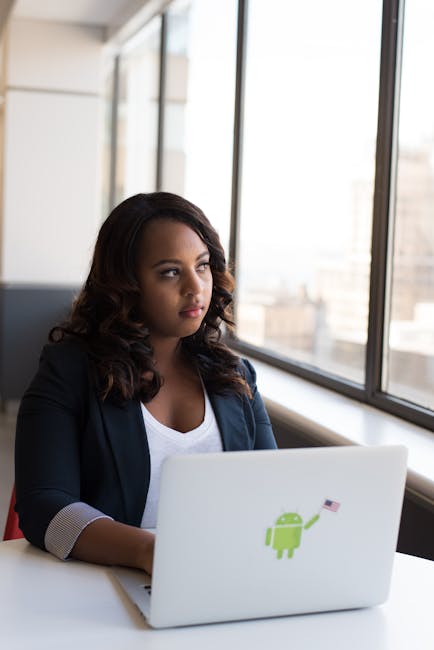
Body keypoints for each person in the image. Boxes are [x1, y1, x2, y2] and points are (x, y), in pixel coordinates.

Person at [14, 192, 276, 575]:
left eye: (201, 266)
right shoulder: (69, 371)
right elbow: (43, 506)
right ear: (126, 285)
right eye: (171, 271)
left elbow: (275, 489)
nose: (195, 287)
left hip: (224, 577)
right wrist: (149, 551)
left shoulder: (236, 377)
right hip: (110, 586)